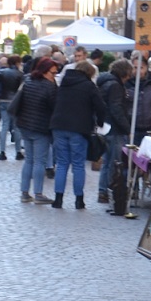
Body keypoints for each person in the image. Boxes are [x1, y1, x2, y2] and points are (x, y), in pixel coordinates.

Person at [48, 59, 107, 209]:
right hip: (79, 129)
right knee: (78, 165)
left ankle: (58, 199)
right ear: (89, 73)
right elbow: (100, 107)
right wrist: (100, 123)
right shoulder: (89, 86)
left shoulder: (63, 84)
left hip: (59, 126)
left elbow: (53, 102)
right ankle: (79, 200)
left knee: (61, 164)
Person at [13, 57, 60, 202]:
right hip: (40, 127)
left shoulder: (28, 81)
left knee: (29, 160)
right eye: (53, 73)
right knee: (40, 161)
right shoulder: (50, 87)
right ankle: (38, 193)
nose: (54, 76)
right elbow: (55, 107)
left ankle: (24, 193)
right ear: (45, 72)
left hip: (25, 125)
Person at [97, 59, 133, 205]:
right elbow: (116, 109)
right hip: (114, 128)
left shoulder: (105, 82)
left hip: (105, 126)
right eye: (129, 73)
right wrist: (127, 127)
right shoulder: (115, 86)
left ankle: (103, 191)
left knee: (107, 161)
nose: (130, 77)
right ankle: (108, 191)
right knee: (114, 161)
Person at [0, 54, 26, 160]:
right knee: (16, 127)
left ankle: (2, 152)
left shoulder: (2, 72)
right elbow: (22, 89)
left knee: (4, 126)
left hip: (3, 99)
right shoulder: (21, 74)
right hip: (15, 101)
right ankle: (18, 152)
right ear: (18, 63)